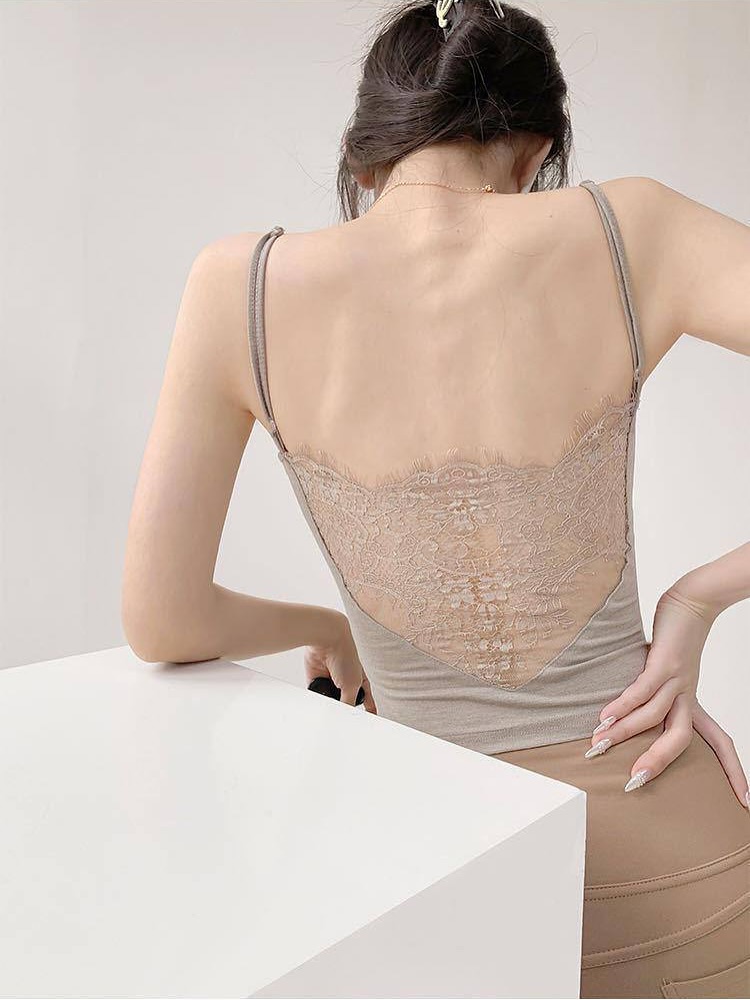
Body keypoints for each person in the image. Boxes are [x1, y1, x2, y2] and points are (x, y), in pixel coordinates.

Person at [122, 1, 750, 996]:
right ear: (537, 151)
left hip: (439, 874)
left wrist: (327, 628)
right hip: (679, 857)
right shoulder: (631, 228)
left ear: (366, 157)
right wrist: (698, 599)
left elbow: (162, 621)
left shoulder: (239, 286)